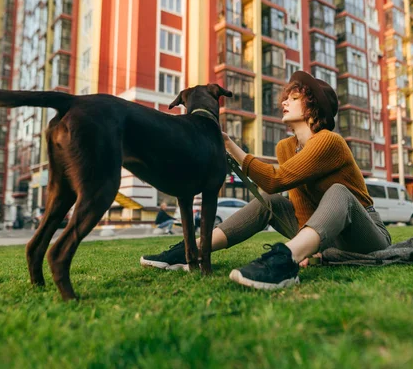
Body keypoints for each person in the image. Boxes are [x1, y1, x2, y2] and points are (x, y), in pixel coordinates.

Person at [141, 71, 391, 289]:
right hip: (323, 234)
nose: (284, 102)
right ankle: (191, 250)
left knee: (338, 192)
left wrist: (231, 146)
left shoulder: (329, 141)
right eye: (286, 97)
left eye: (294, 99)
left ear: (314, 108)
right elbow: (299, 204)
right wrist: (225, 142)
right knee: (270, 201)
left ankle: (285, 261)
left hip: (364, 234)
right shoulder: (286, 147)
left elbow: (275, 179)